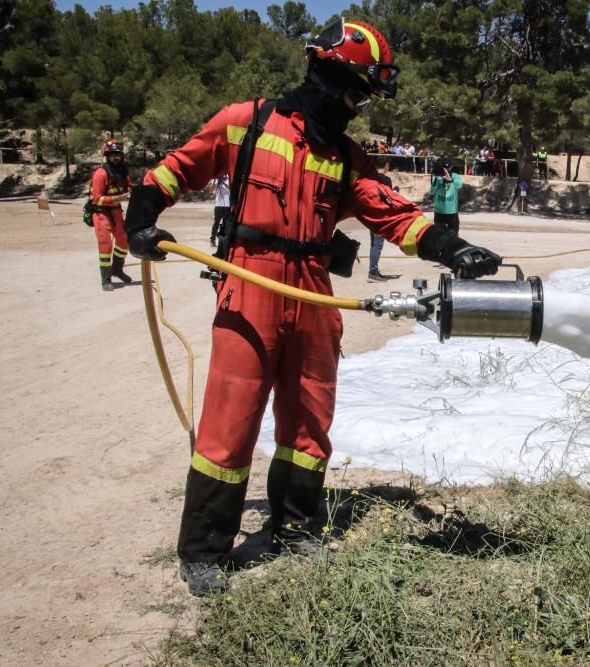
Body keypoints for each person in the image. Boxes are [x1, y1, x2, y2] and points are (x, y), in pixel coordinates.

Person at [123, 18, 503, 597]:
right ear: (327, 73)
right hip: (249, 283)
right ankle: (204, 550)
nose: (360, 103)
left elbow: (391, 214)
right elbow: (177, 169)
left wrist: (453, 247)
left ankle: (296, 529)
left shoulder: (347, 157)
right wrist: (141, 219)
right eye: (358, 88)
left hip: (311, 290)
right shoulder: (244, 124)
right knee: (232, 420)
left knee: (309, 418)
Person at [90, 140, 133, 291]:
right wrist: (118, 198)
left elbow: (131, 188)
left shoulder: (122, 172)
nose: (116, 158)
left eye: (118, 155)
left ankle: (117, 269)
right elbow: (98, 199)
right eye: (112, 155)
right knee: (105, 244)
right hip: (101, 212)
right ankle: (106, 278)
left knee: (123, 240)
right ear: (107, 157)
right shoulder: (100, 174)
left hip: (116, 211)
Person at [368, 160, 399, 281]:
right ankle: (373, 271)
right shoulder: (386, 180)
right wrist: (395, 191)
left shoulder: (370, 178)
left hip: (370, 214)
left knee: (373, 245)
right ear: (386, 165)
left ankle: (373, 269)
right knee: (377, 245)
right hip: (381, 216)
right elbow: (389, 198)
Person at [429, 156, 464, 233]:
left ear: (451, 167)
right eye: (444, 167)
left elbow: (459, 185)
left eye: (448, 167)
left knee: (453, 234)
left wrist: (451, 180)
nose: (447, 169)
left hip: (452, 211)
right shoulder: (438, 176)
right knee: (439, 235)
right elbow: (431, 191)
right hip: (439, 211)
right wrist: (437, 181)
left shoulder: (455, 176)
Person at [208, 174, 230, 247]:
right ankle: (212, 239)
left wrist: (223, 182)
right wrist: (214, 181)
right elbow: (211, 190)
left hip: (227, 205)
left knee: (225, 224)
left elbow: (231, 188)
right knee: (216, 223)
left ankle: (223, 241)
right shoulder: (216, 179)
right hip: (218, 205)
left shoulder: (228, 178)